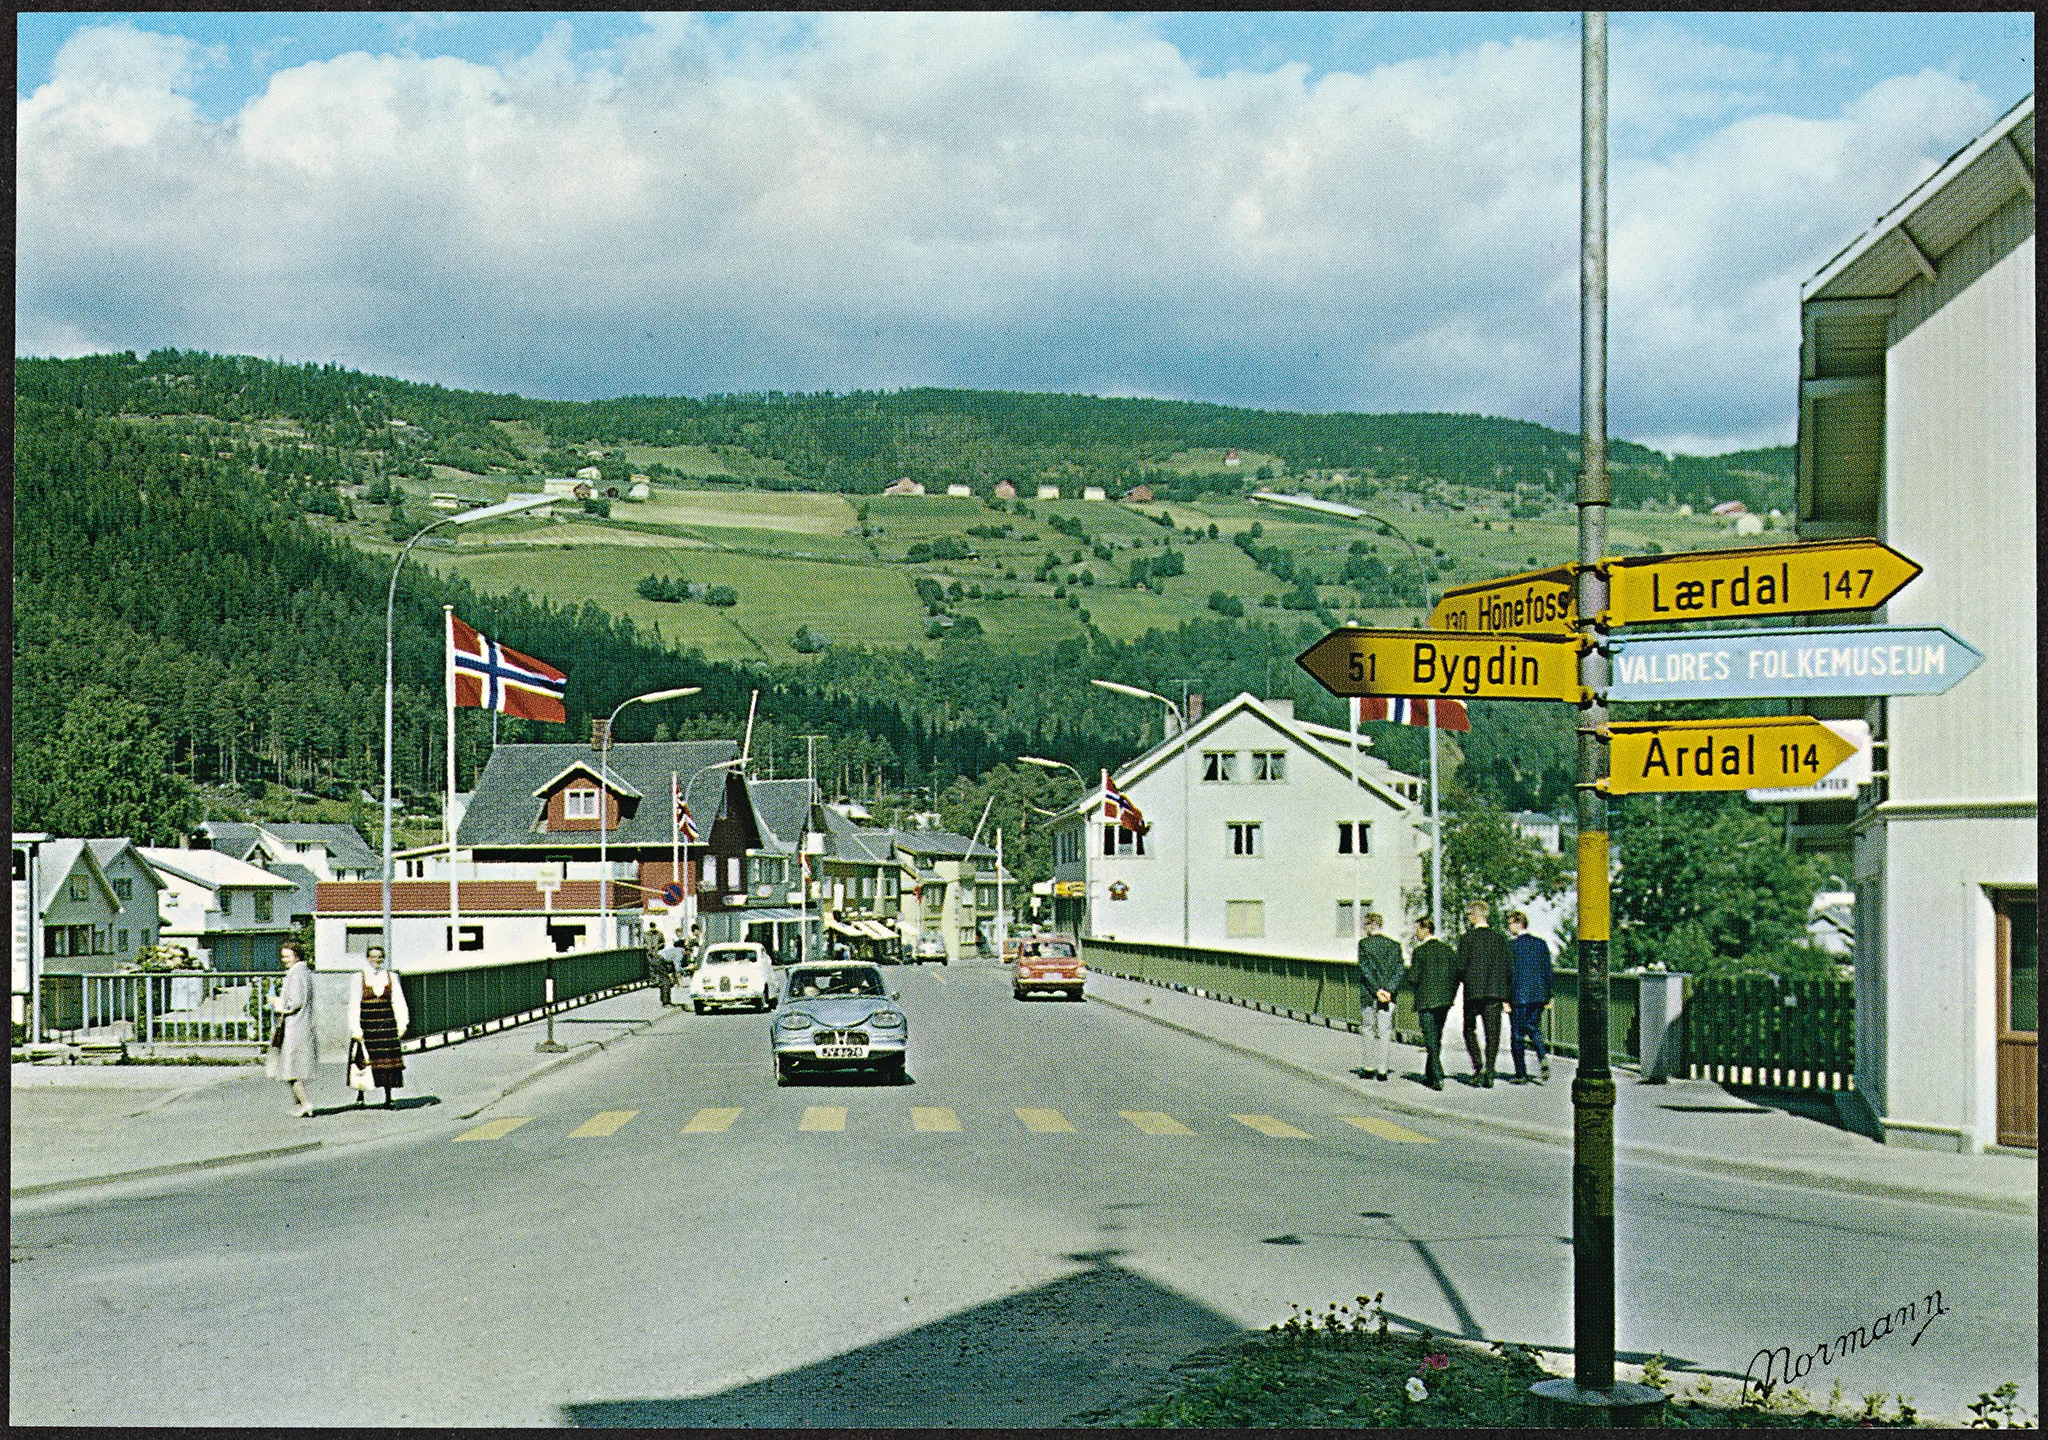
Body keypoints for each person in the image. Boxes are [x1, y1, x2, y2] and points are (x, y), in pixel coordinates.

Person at [1457, 900, 1514, 1087]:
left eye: (1468, 915)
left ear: (1473, 916)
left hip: (1473, 993)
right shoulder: (1500, 939)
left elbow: (1460, 967)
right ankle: (1490, 1070)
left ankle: (1478, 1067)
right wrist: (1506, 996)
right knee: (1493, 1033)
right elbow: (1508, 968)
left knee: (1468, 1029)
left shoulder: (1467, 939)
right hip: (1494, 993)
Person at [347, 944, 410, 1109]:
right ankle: (360, 1096)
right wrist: (355, 1028)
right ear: (368, 958)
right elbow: (354, 1003)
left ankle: (388, 1097)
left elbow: (398, 1000)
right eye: (373, 957)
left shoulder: (391, 976)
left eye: (379, 957)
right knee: (363, 1061)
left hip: (386, 1026)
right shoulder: (358, 977)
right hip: (367, 1026)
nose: (376, 960)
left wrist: (402, 1023)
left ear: (383, 958)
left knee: (387, 1063)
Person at [1408, 916, 1461, 1091]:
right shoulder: (1448, 950)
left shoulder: (1420, 952)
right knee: (1436, 1036)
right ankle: (1430, 1074)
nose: (1416, 933)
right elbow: (1456, 976)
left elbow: (1413, 978)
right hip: (1444, 1001)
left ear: (1425, 929)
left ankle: (1437, 1075)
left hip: (1426, 1001)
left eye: (1417, 929)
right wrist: (1449, 995)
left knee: (1430, 1039)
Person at [266, 942, 318, 1116]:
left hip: (294, 1026)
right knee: (292, 1066)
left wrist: (275, 1002)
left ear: (297, 956)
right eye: (283, 956)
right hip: (299, 1025)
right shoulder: (302, 972)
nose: (284, 960)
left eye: (288, 956)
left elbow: (294, 1002)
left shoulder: (296, 975)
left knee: (291, 1068)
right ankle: (300, 1104)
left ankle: (305, 1103)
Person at [1354, 911, 1404, 1082]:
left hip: (1369, 995)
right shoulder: (1395, 945)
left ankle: (1369, 1067)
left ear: (1368, 926)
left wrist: (1376, 990)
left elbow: (1365, 969)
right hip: (1389, 997)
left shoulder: (1364, 945)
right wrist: (1388, 990)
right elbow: (1399, 970)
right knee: (1385, 1031)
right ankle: (1382, 1070)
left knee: (1368, 1028)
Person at [1506, 910, 1554, 1084]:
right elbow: (1548, 971)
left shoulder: (1512, 946)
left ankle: (1521, 1074)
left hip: (1519, 996)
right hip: (1538, 995)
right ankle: (1541, 1055)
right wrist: (1549, 995)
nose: (1508, 927)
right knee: (1533, 1028)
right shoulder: (1541, 944)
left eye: (1510, 923)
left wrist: (1506, 998)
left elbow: (1509, 974)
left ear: (1519, 924)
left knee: (1517, 1035)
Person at [650, 935, 679, 1006]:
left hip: (657, 961)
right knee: (665, 982)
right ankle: (666, 1002)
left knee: (665, 983)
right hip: (659, 962)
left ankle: (666, 1000)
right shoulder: (660, 949)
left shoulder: (656, 947)